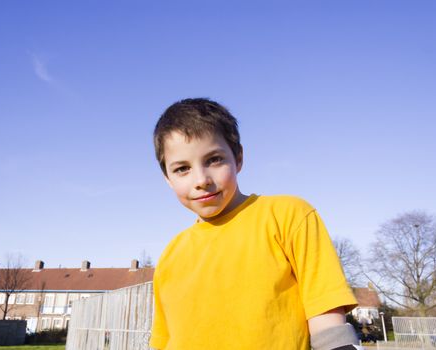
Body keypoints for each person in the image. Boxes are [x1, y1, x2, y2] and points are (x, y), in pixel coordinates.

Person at [150, 98, 362, 350]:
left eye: (214, 159)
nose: (201, 179)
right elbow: (163, 342)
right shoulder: (170, 257)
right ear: (167, 179)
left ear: (238, 158)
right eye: (182, 169)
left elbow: (326, 319)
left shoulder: (289, 216)